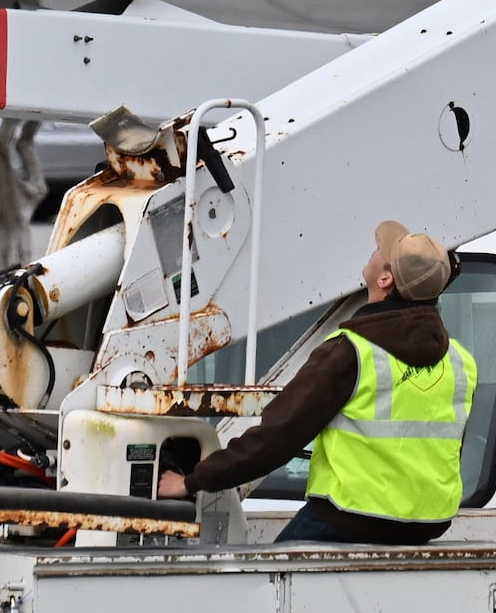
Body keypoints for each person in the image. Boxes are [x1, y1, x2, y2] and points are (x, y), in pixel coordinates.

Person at [158, 220, 478, 543]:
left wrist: (190, 482)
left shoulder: (350, 352)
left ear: (385, 279)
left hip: (350, 518)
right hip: (429, 524)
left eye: (382, 250)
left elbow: (277, 437)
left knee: (261, 585)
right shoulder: (462, 363)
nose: (376, 247)